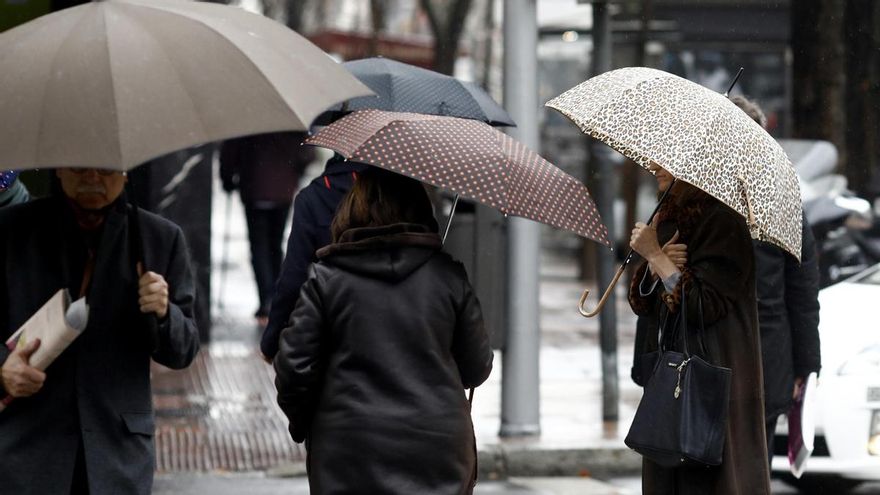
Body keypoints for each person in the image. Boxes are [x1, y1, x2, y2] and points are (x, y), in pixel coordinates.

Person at [274, 168, 493, 494]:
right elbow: (476, 367)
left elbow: (294, 368)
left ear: (352, 208)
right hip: (438, 448)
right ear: (421, 208)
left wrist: (308, 424)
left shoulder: (327, 280)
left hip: (347, 449)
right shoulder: (448, 277)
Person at [0, 167, 200, 494]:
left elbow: (184, 350)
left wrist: (164, 313)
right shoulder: (12, 231)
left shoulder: (159, 238)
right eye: (80, 168)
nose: (92, 178)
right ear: (60, 169)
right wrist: (3, 370)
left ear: (124, 172)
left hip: (116, 457)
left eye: (105, 169)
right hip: (26, 452)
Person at [627, 162, 771, 494]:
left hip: (711, 376)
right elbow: (644, 303)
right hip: (671, 374)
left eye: (663, 161)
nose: (653, 166)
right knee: (670, 471)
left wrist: (657, 258)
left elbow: (705, 305)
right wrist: (654, 266)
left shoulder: (723, 221)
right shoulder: (667, 216)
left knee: (707, 478)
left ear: (690, 165)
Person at [731, 95, 822, 463]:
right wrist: (806, 367)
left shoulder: (696, 203)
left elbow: (802, 293)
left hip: (726, 362)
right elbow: (802, 294)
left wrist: (807, 367)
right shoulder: (782, 202)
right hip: (766, 364)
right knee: (753, 469)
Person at [260, 154, 368, 360]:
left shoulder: (315, 196)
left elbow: (294, 275)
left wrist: (273, 340)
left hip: (334, 331)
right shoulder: (400, 192)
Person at [220, 132, 314, 325]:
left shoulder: (248, 120)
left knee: (259, 247)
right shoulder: (291, 123)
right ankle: (277, 297)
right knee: (275, 245)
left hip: (255, 188)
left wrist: (228, 179)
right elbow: (307, 154)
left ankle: (266, 300)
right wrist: (293, 170)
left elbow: (230, 152)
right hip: (283, 190)